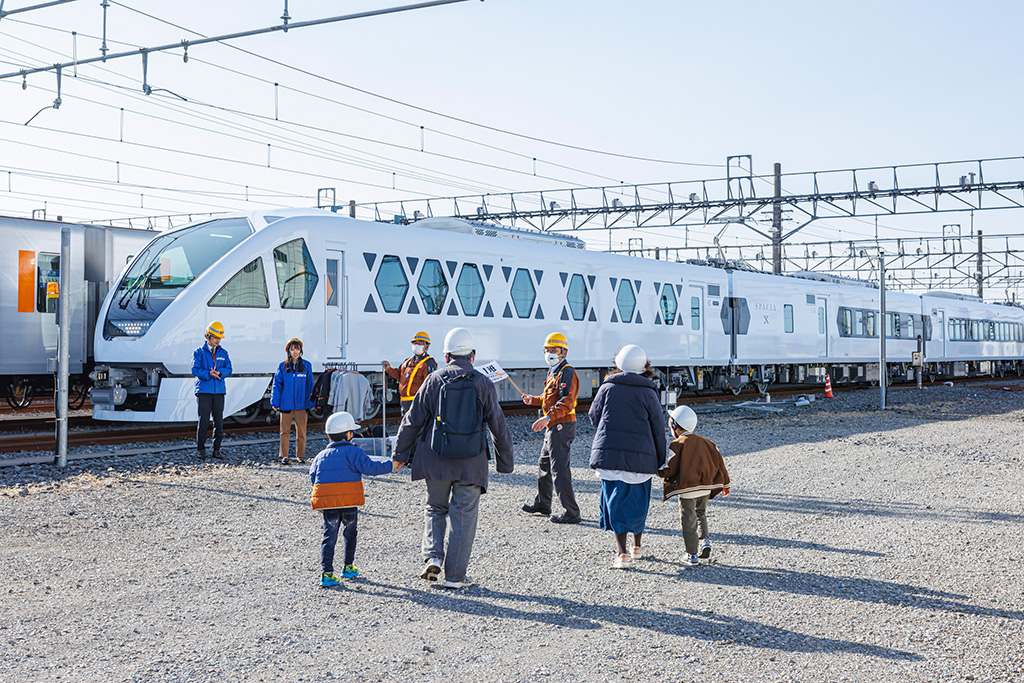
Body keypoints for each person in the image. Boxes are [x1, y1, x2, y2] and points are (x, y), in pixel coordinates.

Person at [394, 327, 514, 590]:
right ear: (472, 355)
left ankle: (433, 556)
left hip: (435, 459)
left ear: (446, 355)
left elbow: (412, 420)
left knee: (435, 508)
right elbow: (498, 423)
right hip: (471, 463)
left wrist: (399, 454)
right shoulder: (482, 382)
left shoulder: (434, 379)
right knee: (464, 517)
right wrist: (504, 462)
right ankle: (455, 578)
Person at [588, 344, 666, 570]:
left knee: (615, 503)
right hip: (641, 460)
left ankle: (621, 553)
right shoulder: (649, 391)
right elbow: (658, 428)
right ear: (644, 366)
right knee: (639, 502)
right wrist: (660, 459)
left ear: (618, 363)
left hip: (610, 455)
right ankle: (637, 546)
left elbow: (594, 417)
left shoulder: (608, 387)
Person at [309, 411, 402, 587]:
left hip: (329, 504)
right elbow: (371, 468)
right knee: (350, 533)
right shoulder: (354, 452)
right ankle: (348, 567)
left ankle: (326, 574)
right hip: (349, 502)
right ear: (348, 434)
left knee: (329, 535)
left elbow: (313, 477)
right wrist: (392, 465)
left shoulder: (320, 456)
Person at [520, 332, 582, 524]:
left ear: (563, 352)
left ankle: (571, 512)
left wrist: (547, 418)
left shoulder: (567, 372)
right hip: (554, 424)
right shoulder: (554, 371)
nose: (549, 353)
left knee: (559, 469)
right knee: (544, 465)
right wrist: (534, 400)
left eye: (553, 350)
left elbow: (566, 402)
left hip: (561, 425)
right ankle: (543, 503)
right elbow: (550, 398)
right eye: (547, 350)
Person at [660, 404, 730, 567]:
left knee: (688, 519)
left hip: (687, 490)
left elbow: (670, 469)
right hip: (705, 487)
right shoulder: (708, 443)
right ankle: (705, 540)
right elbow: (720, 464)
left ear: (675, 425)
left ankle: (691, 554)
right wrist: (725, 484)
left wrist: (657, 471)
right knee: (701, 513)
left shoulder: (677, 444)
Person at [191, 321, 232, 459]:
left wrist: (220, 372)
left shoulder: (223, 352)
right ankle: (201, 450)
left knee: (218, 421)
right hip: (204, 391)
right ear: (208, 336)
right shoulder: (199, 352)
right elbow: (195, 369)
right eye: (215, 337)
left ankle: (216, 450)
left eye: (219, 338)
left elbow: (229, 368)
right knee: (203, 421)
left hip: (219, 391)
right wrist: (208, 374)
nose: (218, 340)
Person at [271, 338, 315, 464]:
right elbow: (277, 385)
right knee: (284, 431)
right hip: (286, 404)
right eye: (292, 349)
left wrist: (311, 402)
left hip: (302, 404)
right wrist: (275, 402)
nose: (295, 352)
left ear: (301, 350)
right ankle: (284, 456)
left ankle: (300, 456)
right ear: (288, 351)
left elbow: (310, 385)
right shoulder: (282, 366)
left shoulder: (307, 366)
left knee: (301, 431)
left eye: (297, 349)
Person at [382, 331, 438, 418]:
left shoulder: (428, 363)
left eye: (420, 343)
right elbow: (399, 375)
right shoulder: (407, 361)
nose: (417, 345)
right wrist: (389, 369)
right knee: (406, 427)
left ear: (426, 346)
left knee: (416, 428)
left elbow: (429, 386)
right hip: (404, 402)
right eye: (415, 343)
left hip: (417, 402)